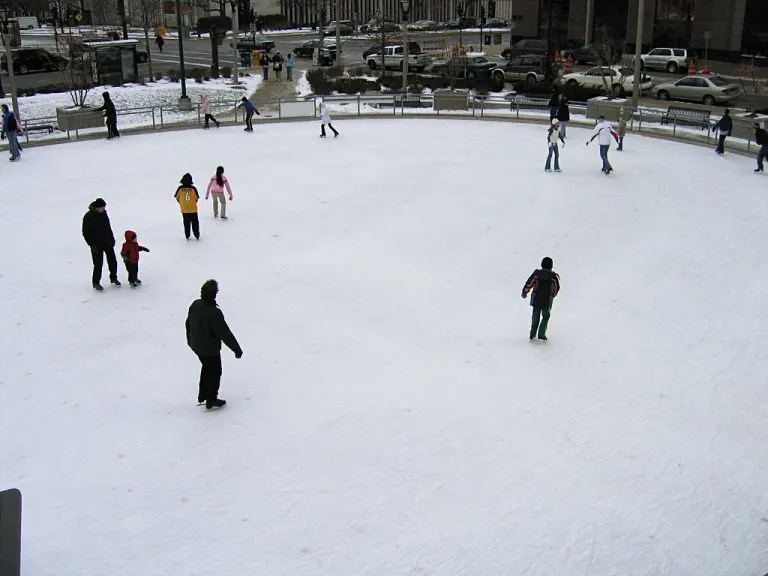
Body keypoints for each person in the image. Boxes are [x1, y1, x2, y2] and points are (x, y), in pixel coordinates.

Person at [185, 279, 243, 410]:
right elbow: (224, 333)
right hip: (209, 349)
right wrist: (236, 349)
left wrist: (190, 339)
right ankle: (211, 399)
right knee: (215, 372)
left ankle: (203, 395)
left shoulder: (195, 304)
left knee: (206, 367)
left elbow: (188, 324)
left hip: (196, 345)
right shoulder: (214, 313)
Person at [82, 198, 121, 290]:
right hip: (96, 245)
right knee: (98, 264)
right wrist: (92, 245)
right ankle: (96, 282)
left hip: (107, 242)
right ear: (96, 207)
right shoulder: (88, 217)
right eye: (102, 207)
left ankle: (113, 278)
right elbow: (85, 233)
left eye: (104, 207)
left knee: (113, 262)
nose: (104, 209)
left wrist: (112, 238)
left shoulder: (104, 214)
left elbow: (108, 227)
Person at [521, 257, 560, 342]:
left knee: (535, 317)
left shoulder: (537, 274)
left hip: (536, 300)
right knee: (545, 317)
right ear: (551, 266)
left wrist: (525, 292)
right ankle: (541, 334)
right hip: (547, 301)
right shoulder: (553, 276)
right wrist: (552, 295)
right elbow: (556, 288)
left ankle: (532, 334)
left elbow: (530, 283)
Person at [175, 173, 200, 240]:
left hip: (184, 209)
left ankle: (187, 235)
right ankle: (196, 234)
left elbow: (177, 197)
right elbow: (196, 198)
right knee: (195, 222)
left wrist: (182, 203)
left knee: (186, 223)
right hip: (193, 209)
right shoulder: (193, 188)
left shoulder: (180, 188)